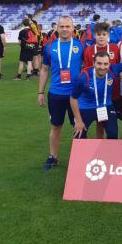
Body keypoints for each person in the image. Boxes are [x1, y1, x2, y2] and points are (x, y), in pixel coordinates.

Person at [38, 16, 84, 170]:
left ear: (73, 29)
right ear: (57, 28)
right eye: (62, 26)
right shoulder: (49, 47)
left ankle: (79, 159)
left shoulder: (80, 46)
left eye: (67, 26)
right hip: (56, 94)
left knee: (78, 126)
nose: (65, 29)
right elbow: (44, 70)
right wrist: (40, 92)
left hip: (75, 96)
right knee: (56, 126)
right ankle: (53, 157)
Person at [70, 51, 122, 140]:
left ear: (109, 64)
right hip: (86, 106)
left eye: (105, 64)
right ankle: (84, 153)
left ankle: (105, 153)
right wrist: (79, 121)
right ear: (93, 63)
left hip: (106, 105)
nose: (102, 67)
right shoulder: (83, 77)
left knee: (113, 134)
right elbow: (73, 98)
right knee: (79, 134)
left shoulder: (113, 70)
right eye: (99, 63)